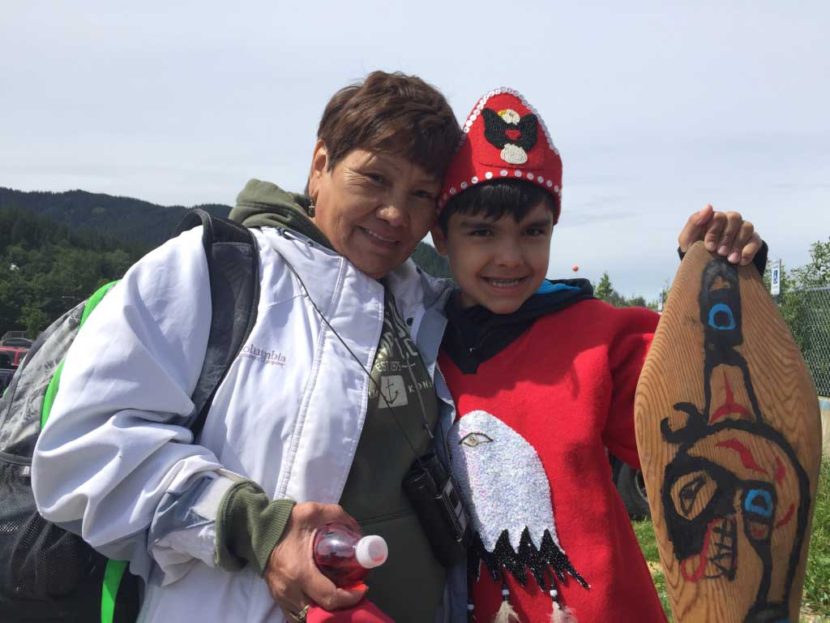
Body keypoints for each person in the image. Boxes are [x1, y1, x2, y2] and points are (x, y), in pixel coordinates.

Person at [31, 71, 463, 623]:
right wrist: (256, 529)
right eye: (374, 178)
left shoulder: (424, 310)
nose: (396, 214)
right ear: (320, 164)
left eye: (421, 195)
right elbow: (84, 452)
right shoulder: (213, 271)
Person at [430, 88, 766, 622]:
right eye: (482, 232)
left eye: (534, 231)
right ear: (440, 237)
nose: (510, 257)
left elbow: (701, 425)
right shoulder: (417, 344)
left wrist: (711, 284)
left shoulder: (600, 338)